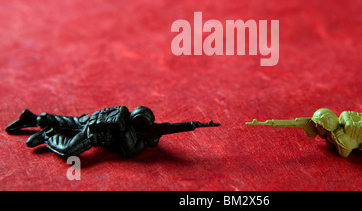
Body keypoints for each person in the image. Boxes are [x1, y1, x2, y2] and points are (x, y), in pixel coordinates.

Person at [6, 106, 220, 157]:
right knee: (70, 150)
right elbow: (129, 151)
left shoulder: (122, 114)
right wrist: (145, 143)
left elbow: (169, 128)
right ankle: (47, 135)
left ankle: (34, 118)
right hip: (92, 135)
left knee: (64, 121)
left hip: (89, 120)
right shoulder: (126, 132)